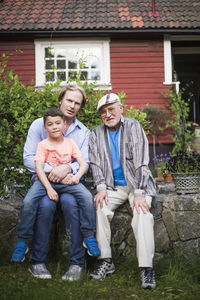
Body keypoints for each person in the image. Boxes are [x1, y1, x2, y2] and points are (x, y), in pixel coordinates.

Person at [12, 83, 93, 281]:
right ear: (60, 100)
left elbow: (85, 161)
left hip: (70, 182)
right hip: (43, 181)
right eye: (69, 100)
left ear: (80, 107)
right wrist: (52, 170)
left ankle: (77, 263)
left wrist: (67, 169)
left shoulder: (83, 132)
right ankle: (37, 261)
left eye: (77, 103)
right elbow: (29, 158)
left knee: (71, 203)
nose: (72, 105)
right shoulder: (39, 125)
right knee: (45, 205)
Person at [89, 93, 157, 289]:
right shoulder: (95, 134)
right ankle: (106, 260)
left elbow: (142, 161)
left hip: (137, 185)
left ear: (121, 109)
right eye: (103, 111)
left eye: (111, 109)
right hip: (113, 186)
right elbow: (95, 164)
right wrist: (101, 186)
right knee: (101, 208)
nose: (108, 114)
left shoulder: (134, 126)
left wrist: (139, 192)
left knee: (142, 214)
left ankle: (146, 269)